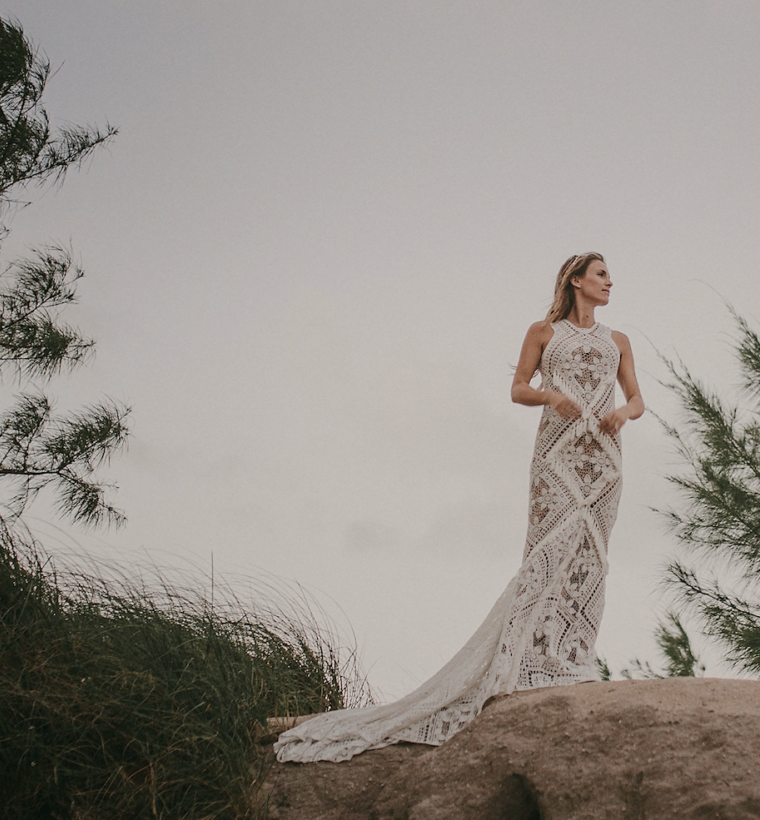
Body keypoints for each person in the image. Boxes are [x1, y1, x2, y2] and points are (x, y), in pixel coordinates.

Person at [274, 253, 644, 763]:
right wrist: (551, 398)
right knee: (545, 556)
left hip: (602, 462)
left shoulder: (617, 341)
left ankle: (570, 658)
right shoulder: (543, 332)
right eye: (601, 274)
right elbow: (517, 389)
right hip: (556, 459)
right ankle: (525, 659)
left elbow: (637, 400)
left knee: (590, 557)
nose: (610, 283)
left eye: (610, 276)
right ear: (577, 280)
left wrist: (621, 415)